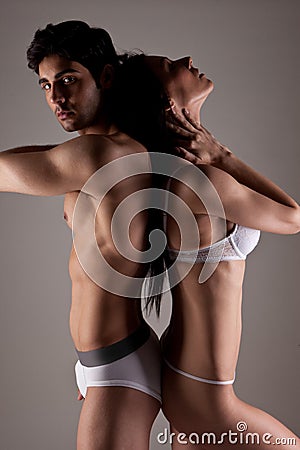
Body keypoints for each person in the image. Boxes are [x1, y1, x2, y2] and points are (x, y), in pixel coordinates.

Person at [115, 54, 300, 448]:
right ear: (166, 99)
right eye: (169, 65)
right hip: (208, 400)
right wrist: (221, 155)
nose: (187, 60)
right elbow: (294, 217)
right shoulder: (203, 178)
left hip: (191, 385)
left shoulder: (186, 174)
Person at [0, 21, 161, 450]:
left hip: (119, 363)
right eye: (46, 85)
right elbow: (30, 158)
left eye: (68, 80)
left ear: (105, 78)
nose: (56, 97)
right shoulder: (95, 149)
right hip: (105, 360)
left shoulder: (104, 154)